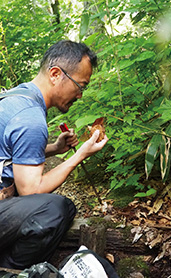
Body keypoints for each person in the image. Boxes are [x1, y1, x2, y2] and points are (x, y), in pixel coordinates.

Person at [0, 40, 108, 269]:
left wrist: (54, 149)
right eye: (81, 86)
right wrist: (79, 155)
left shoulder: (16, 97)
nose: (80, 95)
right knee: (55, 209)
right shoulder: (30, 117)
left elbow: (12, 155)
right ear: (56, 74)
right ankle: (11, 270)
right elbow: (32, 189)